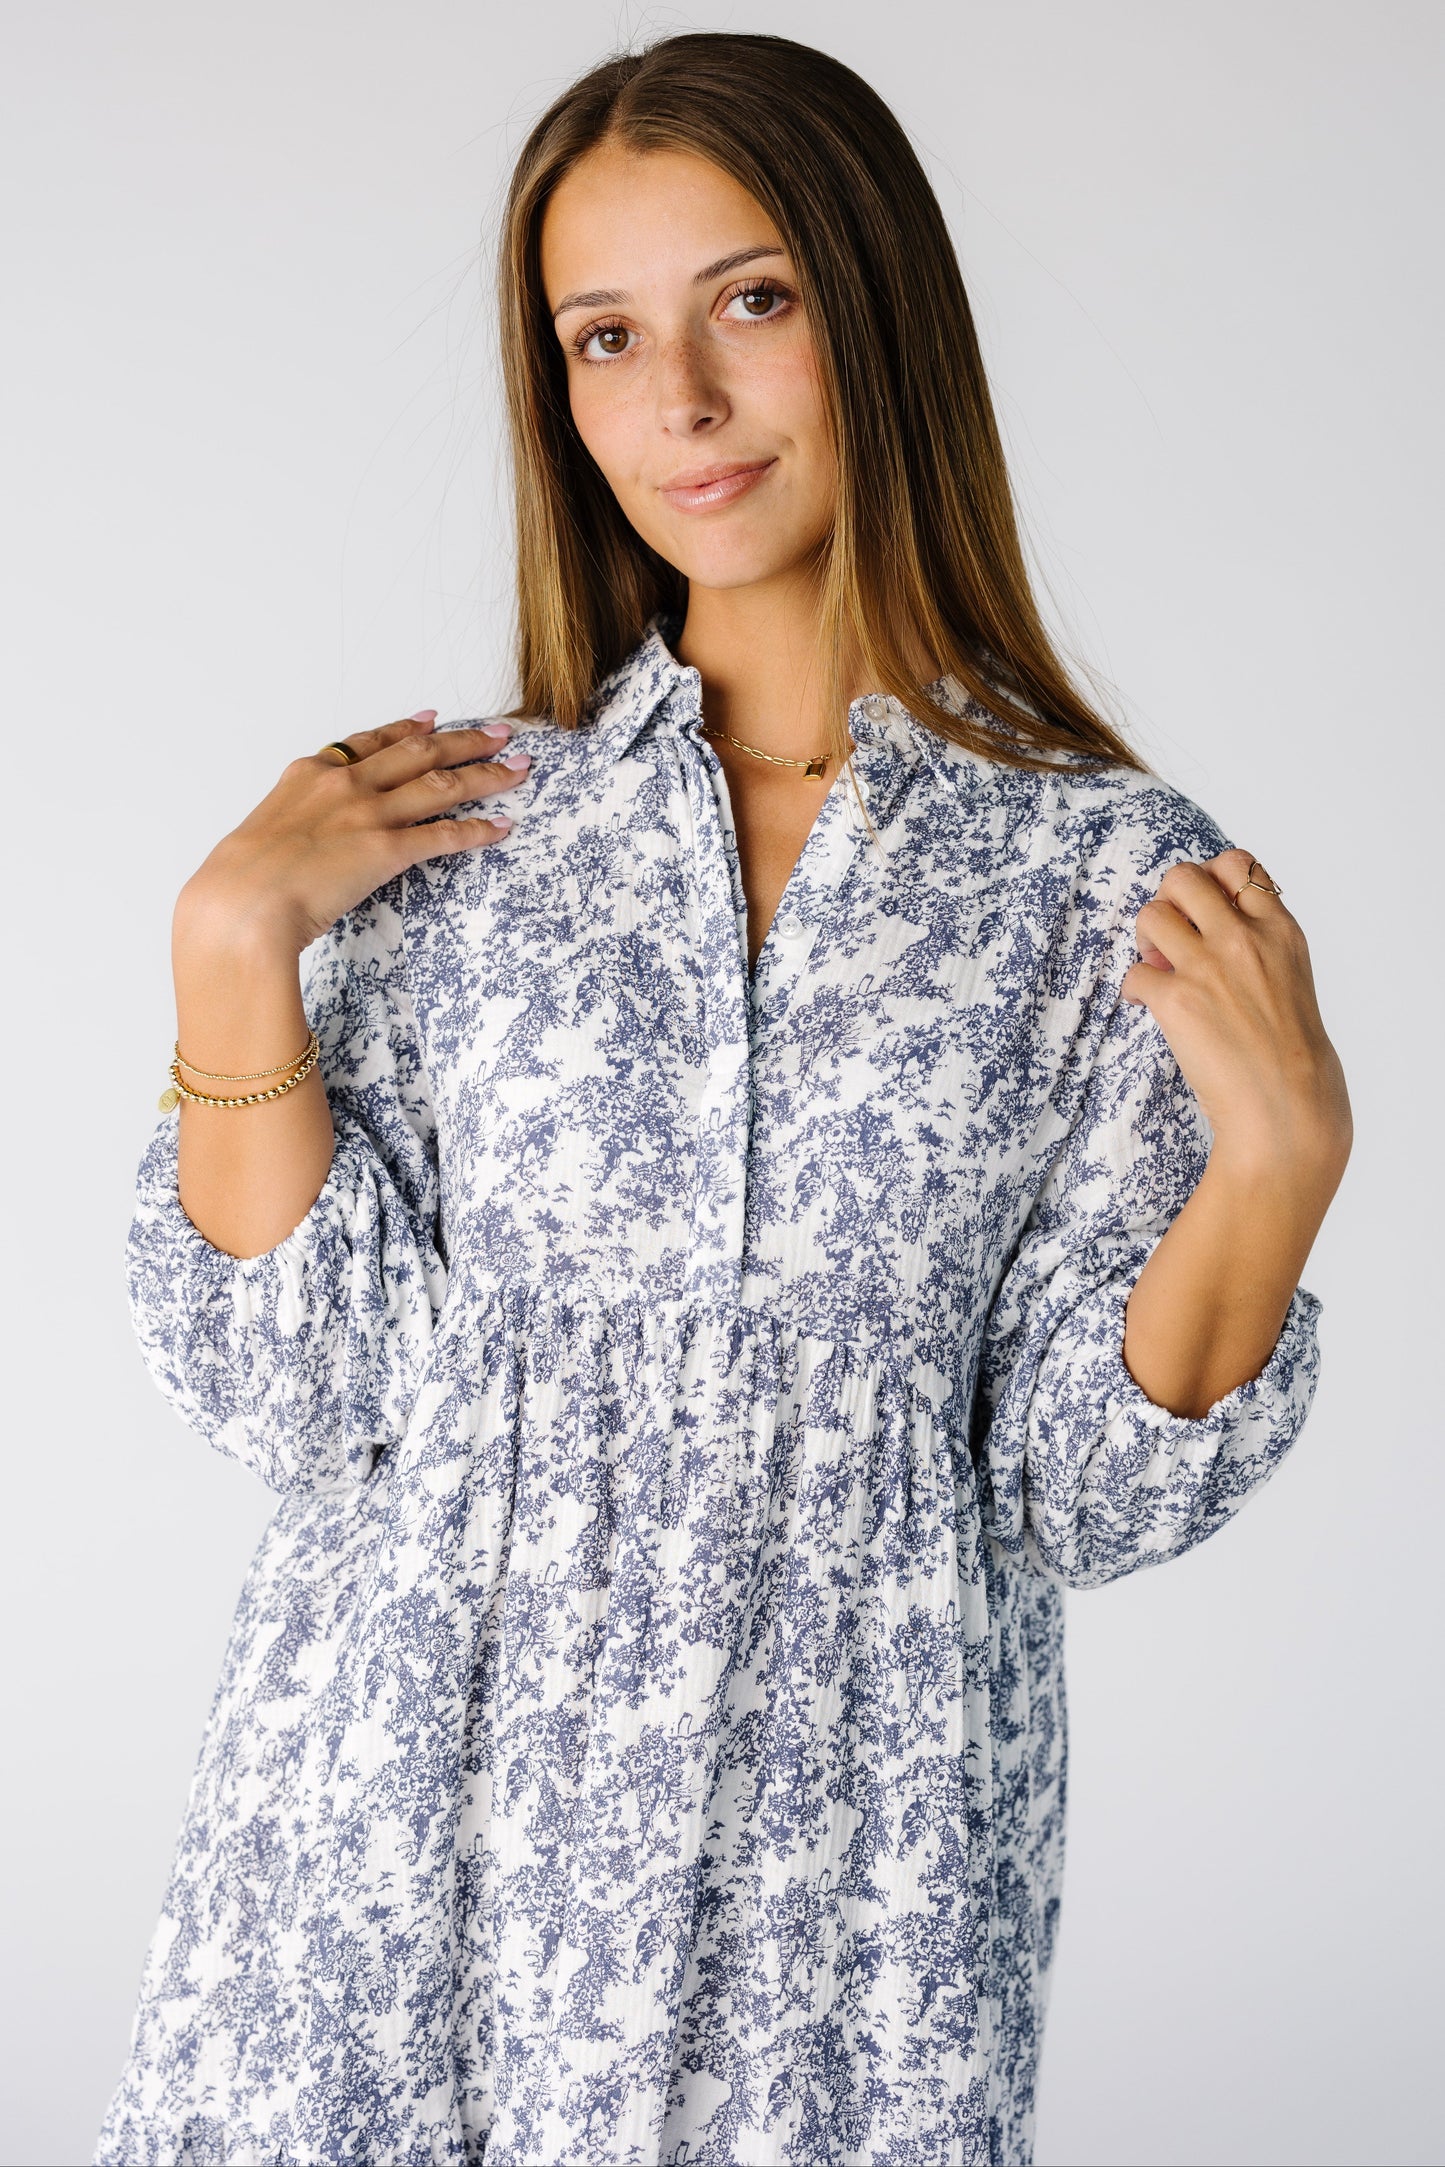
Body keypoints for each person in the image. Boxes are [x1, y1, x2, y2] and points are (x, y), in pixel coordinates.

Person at [93, 31, 1351, 2167]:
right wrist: (233, 954)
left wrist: (1283, 1167)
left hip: (836, 1923)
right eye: (605, 335)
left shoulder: (1104, 881)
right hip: (375, 1867)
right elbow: (305, 1401)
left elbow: (1075, 1488)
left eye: (750, 301)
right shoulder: (464, 828)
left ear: (878, 315)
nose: (675, 402)